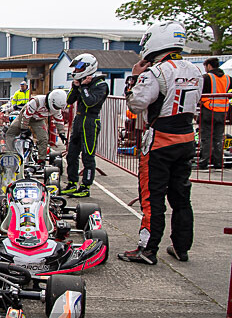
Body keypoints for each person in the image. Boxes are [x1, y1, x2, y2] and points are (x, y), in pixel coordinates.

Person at [118, 21, 203, 265]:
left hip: (161, 141)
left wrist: (134, 78)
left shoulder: (155, 73)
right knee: (181, 197)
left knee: (152, 198)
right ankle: (181, 246)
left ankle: (147, 248)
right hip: (187, 137)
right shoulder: (195, 70)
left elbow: (136, 104)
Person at [61, 53, 108, 198]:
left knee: (88, 155)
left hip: (91, 121)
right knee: (72, 154)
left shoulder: (101, 85)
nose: (76, 71)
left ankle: (86, 186)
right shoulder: (80, 85)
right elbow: (69, 100)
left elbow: (90, 102)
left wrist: (84, 87)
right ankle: (72, 182)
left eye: (79, 68)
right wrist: (76, 87)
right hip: (78, 120)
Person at [5, 90, 68, 164]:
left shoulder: (57, 109)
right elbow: (26, 116)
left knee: (44, 138)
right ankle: (10, 155)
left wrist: (61, 133)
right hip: (25, 116)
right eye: (55, 107)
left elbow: (59, 120)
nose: (56, 109)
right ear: (51, 100)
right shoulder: (36, 101)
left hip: (38, 120)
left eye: (58, 107)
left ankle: (41, 159)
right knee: (10, 133)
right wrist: (24, 128)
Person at [198, 57, 231, 170]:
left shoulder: (207, 77)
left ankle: (204, 163)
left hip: (208, 110)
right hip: (222, 112)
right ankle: (218, 163)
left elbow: (199, 92)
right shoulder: (227, 78)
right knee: (218, 138)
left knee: (206, 137)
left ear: (209, 66)